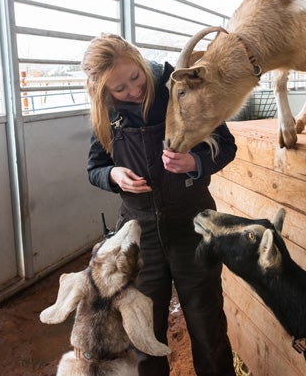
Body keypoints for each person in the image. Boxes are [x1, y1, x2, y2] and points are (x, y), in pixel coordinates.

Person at [82, 33, 237, 376]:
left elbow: (225, 144)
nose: (133, 91)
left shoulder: (178, 89)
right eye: (119, 89)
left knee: (205, 320)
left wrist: (196, 163)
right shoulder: (106, 113)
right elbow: (93, 168)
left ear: (139, 61)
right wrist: (113, 175)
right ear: (103, 91)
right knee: (143, 330)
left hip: (192, 226)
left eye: (135, 77)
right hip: (139, 235)